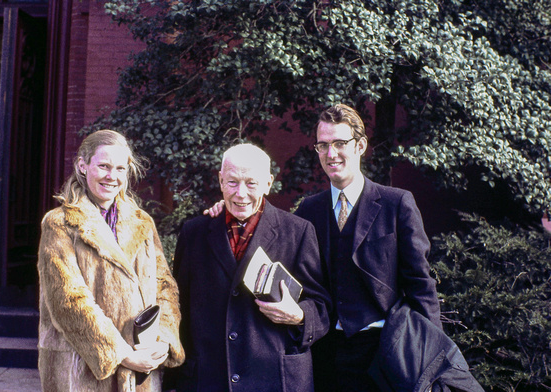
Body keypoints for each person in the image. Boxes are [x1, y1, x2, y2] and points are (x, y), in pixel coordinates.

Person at [294, 104, 442, 391]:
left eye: (339, 143)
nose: (331, 154)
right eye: (323, 145)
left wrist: (431, 361)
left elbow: (420, 284)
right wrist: (226, 213)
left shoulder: (396, 204)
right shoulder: (309, 210)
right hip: (325, 357)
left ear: (360, 145)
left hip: (383, 353)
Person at [168, 144, 331, 392]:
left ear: (268, 183)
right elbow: (177, 307)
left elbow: (321, 307)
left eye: (251, 183)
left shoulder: (298, 232)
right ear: (220, 181)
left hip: (276, 380)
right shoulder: (194, 233)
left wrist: (299, 316)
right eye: (232, 182)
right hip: (208, 380)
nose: (240, 194)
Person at [37, 130, 184, 392]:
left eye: (120, 168)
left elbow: (164, 286)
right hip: (82, 370)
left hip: (141, 371)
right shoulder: (60, 223)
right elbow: (68, 301)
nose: (112, 177)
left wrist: (162, 340)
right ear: (83, 166)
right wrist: (123, 355)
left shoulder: (142, 222)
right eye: (103, 166)